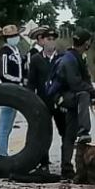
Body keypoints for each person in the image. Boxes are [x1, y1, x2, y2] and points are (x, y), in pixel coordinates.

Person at [57, 30, 95, 179]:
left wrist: (92, 95)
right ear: (86, 43)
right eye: (89, 42)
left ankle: (67, 169)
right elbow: (76, 84)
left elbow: (86, 79)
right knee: (84, 94)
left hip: (74, 98)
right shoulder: (69, 60)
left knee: (69, 134)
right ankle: (84, 131)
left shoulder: (78, 57)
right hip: (62, 97)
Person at [27, 27, 66, 172]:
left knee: (65, 133)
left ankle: (66, 164)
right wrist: (31, 101)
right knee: (43, 133)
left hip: (60, 101)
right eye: (48, 39)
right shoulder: (36, 59)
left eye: (53, 39)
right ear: (43, 41)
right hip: (43, 101)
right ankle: (43, 163)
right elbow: (31, 82)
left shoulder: (62, 58)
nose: (51, 42)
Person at [0, 24, 24, 155]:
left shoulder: (15, 50)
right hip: (8, 89)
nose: (15, 38)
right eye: (12, 36)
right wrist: (18, 80)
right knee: (4, 126)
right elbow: (3, 73)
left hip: (16, 89)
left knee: (9, 125)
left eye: (16, 35)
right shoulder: (4, 52)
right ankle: (2, 154)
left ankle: (4, 150)